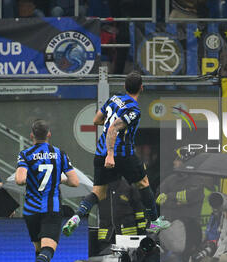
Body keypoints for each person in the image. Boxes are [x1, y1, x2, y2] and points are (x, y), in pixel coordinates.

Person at [63, 72, 169, 237]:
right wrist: (111, 154)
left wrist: (107, 145)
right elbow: (113, 129)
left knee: (98, 192)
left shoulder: (114, 99)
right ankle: (155, 222)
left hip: (100, 152)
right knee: (143, 182)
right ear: (141, 88)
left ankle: (77, 216)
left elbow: (96, 120)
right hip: (121, 154)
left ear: (125, 87)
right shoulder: (133, 109)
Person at [17, 119, 80, 262]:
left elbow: (19, 180)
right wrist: (59, 177)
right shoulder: (60, 154)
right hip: (51, 210)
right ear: (49, 134)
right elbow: (75, 182)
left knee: (40, 253)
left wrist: (32, 174)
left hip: (30, 211)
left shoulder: (26, 154)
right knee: (48, 251)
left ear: (31, 136)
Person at [157, 146, 215, 231]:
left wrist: (168, 196)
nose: (174, 162)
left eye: (177, 159)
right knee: (150, 234)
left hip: (187, 229)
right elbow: (157, 195)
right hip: (164, 221)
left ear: (185, 161)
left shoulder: (197, 180)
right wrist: (174, 203)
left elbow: (189, 196)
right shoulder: (171, 179)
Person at [97, 177, 146, 251]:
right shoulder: (100, 187)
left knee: (127, 260)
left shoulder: (129, 186)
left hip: (128, 238)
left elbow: (139, 211)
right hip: (106, 238)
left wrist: (141, 230)